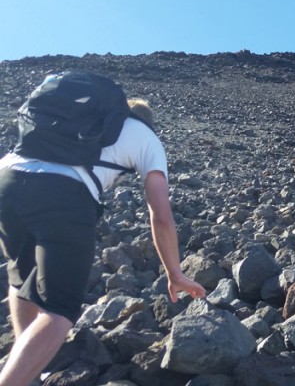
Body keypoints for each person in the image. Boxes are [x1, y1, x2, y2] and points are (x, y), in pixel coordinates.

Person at [0, 91, 206, 386]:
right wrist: (175, 274)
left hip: (6, 180)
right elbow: (160, 214)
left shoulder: (78, 121)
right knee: (60, 309)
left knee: (21, 281)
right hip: (62, 192)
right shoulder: (145, 136)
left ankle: (27, 363)